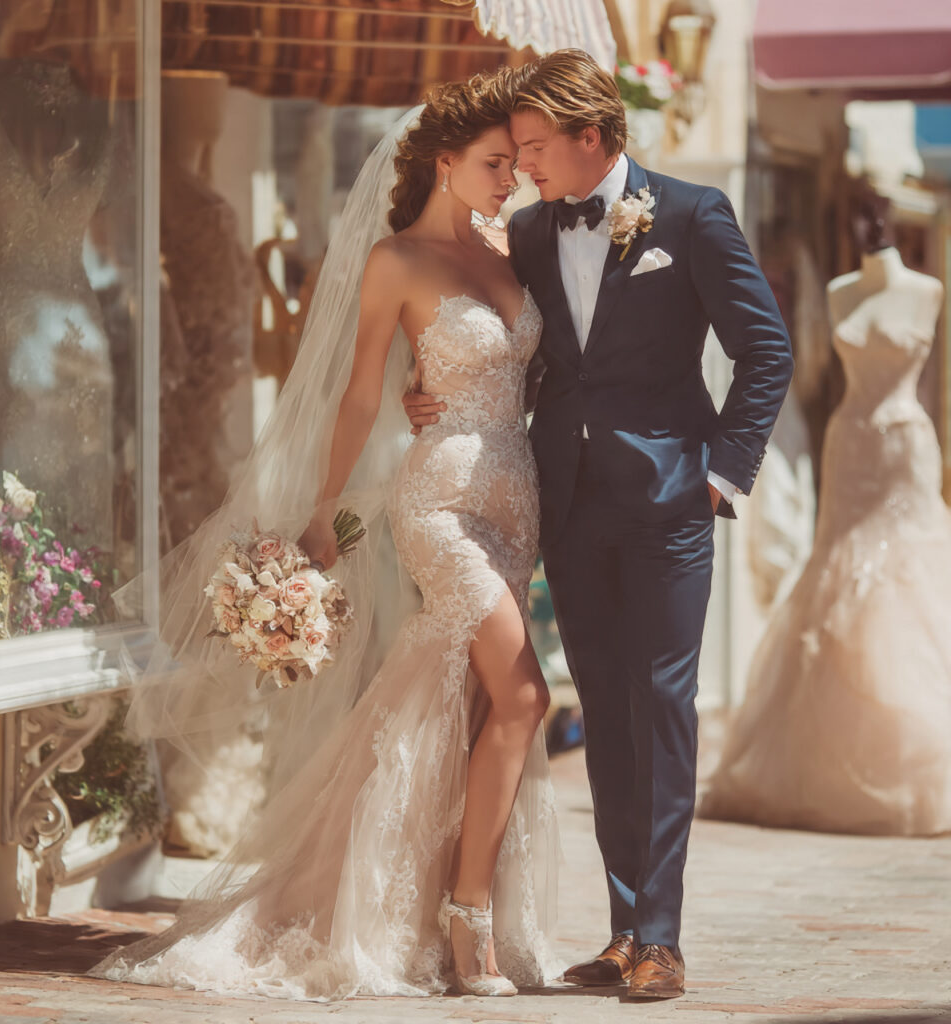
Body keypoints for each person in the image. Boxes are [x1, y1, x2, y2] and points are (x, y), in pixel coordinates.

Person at [92, 73, 561, 1000]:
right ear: (444, 161)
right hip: (438, 507)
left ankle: (391, 897)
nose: (512, 180)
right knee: (525, 698)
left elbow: (535, 375)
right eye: (496, 164)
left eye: (514, 165)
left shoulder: (516, 248)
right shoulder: (396, 261)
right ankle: (469, 926)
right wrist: (324, 508)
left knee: (448, 705)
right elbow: (358, 392)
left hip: (516, 502)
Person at [406, 49, 793, 1000]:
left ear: (593, 138)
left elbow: (766, 351)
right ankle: (626, 931)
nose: (526, 165)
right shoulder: (531, 231)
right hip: (568, 501)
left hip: (671, 504)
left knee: (661, 707)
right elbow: (513, 344)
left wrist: (721, 477)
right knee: (608, 716)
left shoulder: (695, 215)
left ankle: (661, 936)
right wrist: (441, 399)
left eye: (537, 147)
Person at [701, 190, 951, 836]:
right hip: (850, 442)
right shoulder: (840, 288)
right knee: (838, 568)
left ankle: (915, 753)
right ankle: (823, 755)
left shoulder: (927, 290)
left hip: (903, 444)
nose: (867, 227)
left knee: (907, 574)